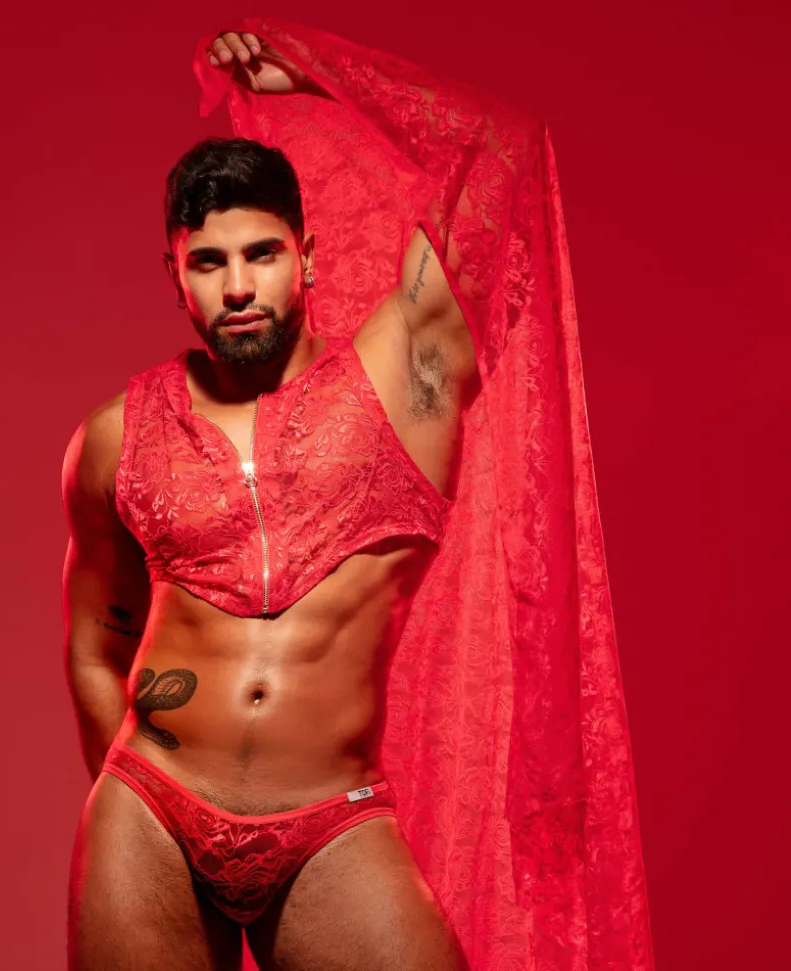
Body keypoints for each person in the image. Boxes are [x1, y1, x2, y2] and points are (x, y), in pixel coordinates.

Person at [63, 19, 653, 971]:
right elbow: (98, 641)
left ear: (308, 255)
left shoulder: (402, 374)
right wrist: (122, 797)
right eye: (208, 263)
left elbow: (503, 153)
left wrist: (321, 77)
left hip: (329, 823)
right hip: (152, 813)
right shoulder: (116, 436)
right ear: (175, 277)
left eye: (261, 253)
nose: (238, 286)